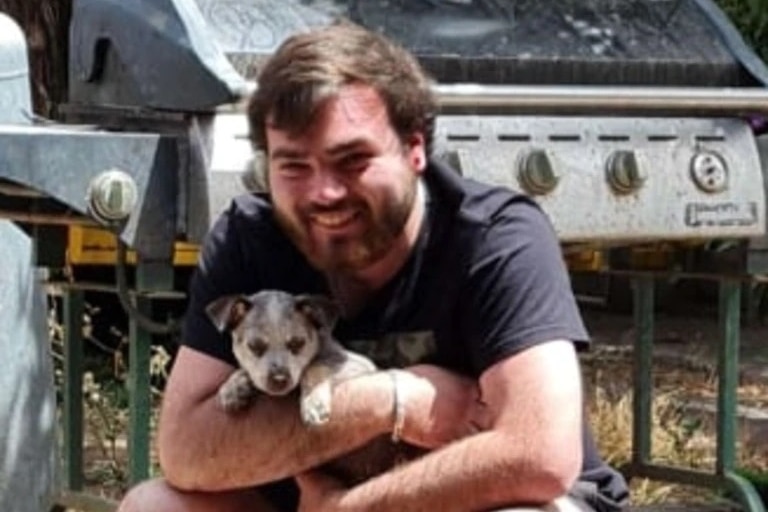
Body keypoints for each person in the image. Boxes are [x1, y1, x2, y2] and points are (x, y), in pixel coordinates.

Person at [118, 21, 629, 512]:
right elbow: (185, 453)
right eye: (294, 165)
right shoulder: (248, 239)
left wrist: (353, 508)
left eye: (352, 161)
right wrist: (390, 400)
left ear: (415, 149)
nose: (325, 193)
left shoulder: (494, 239)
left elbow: (539, 456)